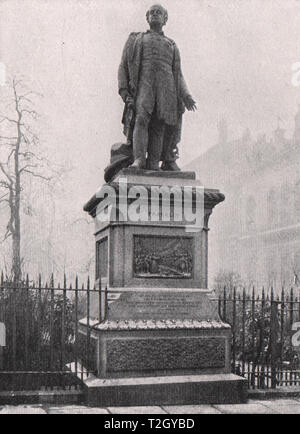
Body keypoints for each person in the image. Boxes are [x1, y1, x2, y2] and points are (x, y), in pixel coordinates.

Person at [118, 4, 196, 171]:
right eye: (151, 13)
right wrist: (125, 92)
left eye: (158, 12)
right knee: (141, 119)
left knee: (160, 125)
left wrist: (186, 95)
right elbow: (123, 66)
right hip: (144, 85)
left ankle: (154, 164)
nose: (154, 15)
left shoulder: (172, 45)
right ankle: (139, 160)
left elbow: (178, 74)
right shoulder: (137, 39)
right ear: (147, 18)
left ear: (165, 19)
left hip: (166, 89)